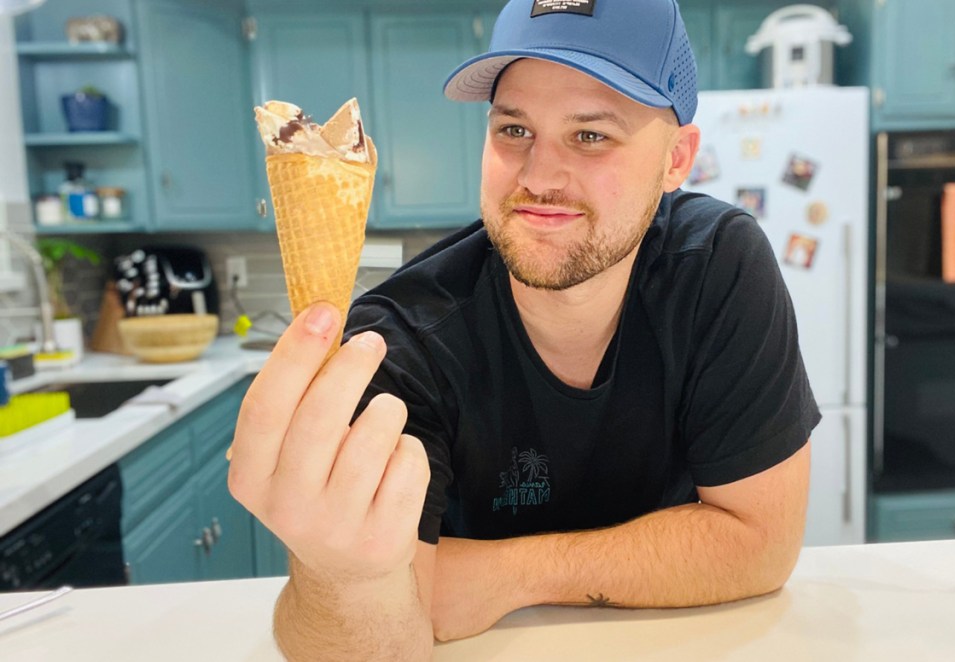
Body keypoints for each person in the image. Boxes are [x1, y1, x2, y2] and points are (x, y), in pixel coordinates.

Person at [228, 0, 819, 658]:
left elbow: (762, 544)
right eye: (513, 130)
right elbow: (387, 638)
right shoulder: (399, 343)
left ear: (677, 159)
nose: (538, 177)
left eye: (590, 135)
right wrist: (337, 575)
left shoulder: (716, 267)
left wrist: (508, 576)